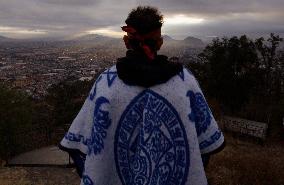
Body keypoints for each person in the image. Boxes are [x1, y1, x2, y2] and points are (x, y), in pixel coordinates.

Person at [59, 6, 225, 185]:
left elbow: (79, 149)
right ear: (160, 42)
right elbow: (205, 146)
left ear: (126, 41)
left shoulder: (105, 84)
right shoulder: (185, 82)